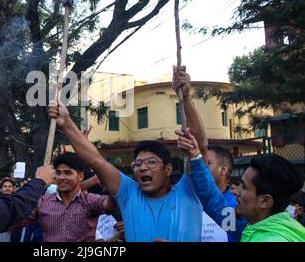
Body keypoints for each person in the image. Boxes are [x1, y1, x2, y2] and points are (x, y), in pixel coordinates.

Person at [48, 102, 203, 242]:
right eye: (138, 163)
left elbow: (200, 148)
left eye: (151, 162)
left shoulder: (188, 191)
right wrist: (66, 123)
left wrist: (187, 96)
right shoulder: (129, 193)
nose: (143, 168)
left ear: (168, 169)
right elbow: (96, 160)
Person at [177, 130, 305, 242]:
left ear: (265, 201)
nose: (236, 191)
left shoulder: (271, 239)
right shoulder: (251, 225)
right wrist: (195, 155)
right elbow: (213, 200)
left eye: (244, 187)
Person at [173, 66, 241, 242]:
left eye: (207, 163)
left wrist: (187, 98)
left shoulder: (235, 208)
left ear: (223, 169)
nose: (199, 166)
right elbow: (199, 147)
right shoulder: (188, 194)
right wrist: (186, 97)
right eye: (199, 160)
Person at [22, 152, 116, 242]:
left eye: (68, 173)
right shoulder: (42, 202)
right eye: (58, 173)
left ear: (80, 176)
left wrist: (111, 189)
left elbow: (109, 205)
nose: (61, 177)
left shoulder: (90, 201)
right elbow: (19, 221)